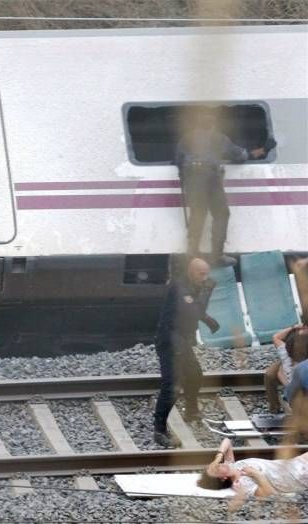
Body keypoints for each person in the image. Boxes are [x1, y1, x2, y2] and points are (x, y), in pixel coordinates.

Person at [175, 111, 269, 266]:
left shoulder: (187, 138)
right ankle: (217, 255)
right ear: (213, 125)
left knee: (198, 212)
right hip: (210, 177)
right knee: (221, 214)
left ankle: (192, 253)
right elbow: (240, 156)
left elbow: (178, 159)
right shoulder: (219, 138)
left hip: (191, 178)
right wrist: (261, 150)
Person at [152, 257, 220, 448]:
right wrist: (207, 291)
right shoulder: (180, 287)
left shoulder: (191, 285)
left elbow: (194, 309)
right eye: (202, 274)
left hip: (180, 339)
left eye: (207, 274)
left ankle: (190, 410)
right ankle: (159, 431)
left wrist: (208, 319)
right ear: (192, 272)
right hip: (170, 340)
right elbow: (194, 310)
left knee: (195, 375)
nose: (205, 278)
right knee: (172, 385)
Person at [198, 437, 308, 498]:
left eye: (213, 465)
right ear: (223, 478)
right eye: (216, 469)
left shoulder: (232, 465)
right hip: (298, 476)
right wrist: (256, 474)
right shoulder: (240, 484)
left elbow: (227, 441)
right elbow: (267, 493)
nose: (217, 465)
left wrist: (218, 456)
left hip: (296, 463)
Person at [264, 324, 308, 413]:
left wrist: (282, 377)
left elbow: (276, 337)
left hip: (293, 369)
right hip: (292, 363)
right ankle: (275, 408)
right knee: (269, 374)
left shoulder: (289, 360)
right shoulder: (287, 356)